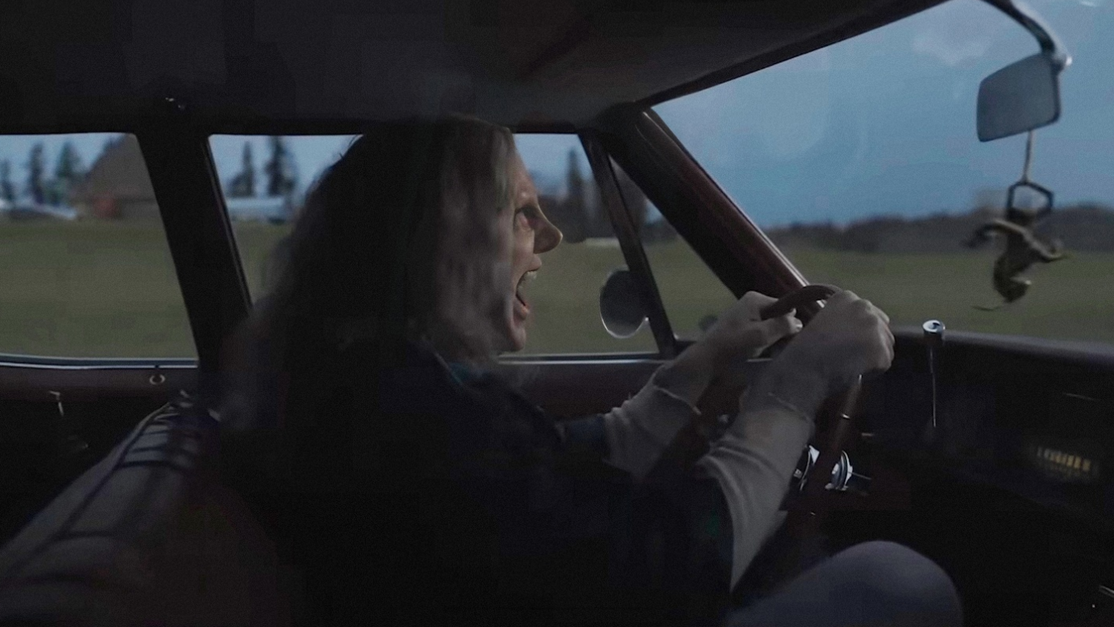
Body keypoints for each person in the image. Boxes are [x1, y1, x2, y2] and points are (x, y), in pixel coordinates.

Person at [217, 116, 962, 627]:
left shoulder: (376, 386)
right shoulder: (402, 411)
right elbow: (668, 576)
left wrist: (698, 366)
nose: (551, 235)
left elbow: (554, 475)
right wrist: (793, 390)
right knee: (900, 578)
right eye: (520, 212)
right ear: (442, 238)